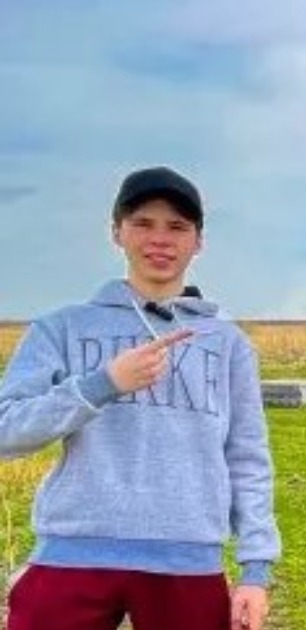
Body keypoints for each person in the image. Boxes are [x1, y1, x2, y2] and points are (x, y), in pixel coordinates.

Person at [0, 166, 281, 630]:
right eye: (143, 223)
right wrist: (101, 384)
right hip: (73, 554)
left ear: (198, 241)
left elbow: (248, 459)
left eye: (177, 227)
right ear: (116, 232)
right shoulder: (63, 328)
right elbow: (7, 430)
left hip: (188, 560)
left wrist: (256, 571)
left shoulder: (228, 343)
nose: (161, 239)